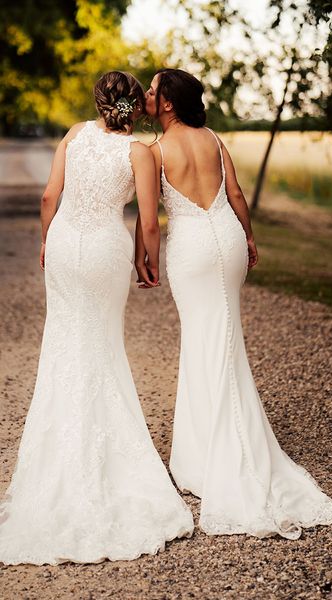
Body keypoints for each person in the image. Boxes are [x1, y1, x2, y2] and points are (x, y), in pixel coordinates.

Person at [135, 68, 332, 539]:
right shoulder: (212, 138)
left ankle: (209, 456)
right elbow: (234, 194)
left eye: (152, 90)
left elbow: (150, 219)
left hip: (190, 246)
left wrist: (142, 259)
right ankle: (219, 444)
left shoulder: (153, 151)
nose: (147, 95)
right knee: (226, 336)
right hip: (226, 238)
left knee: (202, 339)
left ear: (168, 102)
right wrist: (248, 236)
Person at [0, 71, 193, 566]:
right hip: (106, 250)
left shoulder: (74, 134)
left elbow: (49, 198)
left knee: (63, 341)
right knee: (102, 345)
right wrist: (146, 261)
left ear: (99, 103)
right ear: (133, 107)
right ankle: (103, 456)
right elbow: (149, 221)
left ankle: (55, 460)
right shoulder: (140, 153)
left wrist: (46, 240)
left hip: (65, 244)